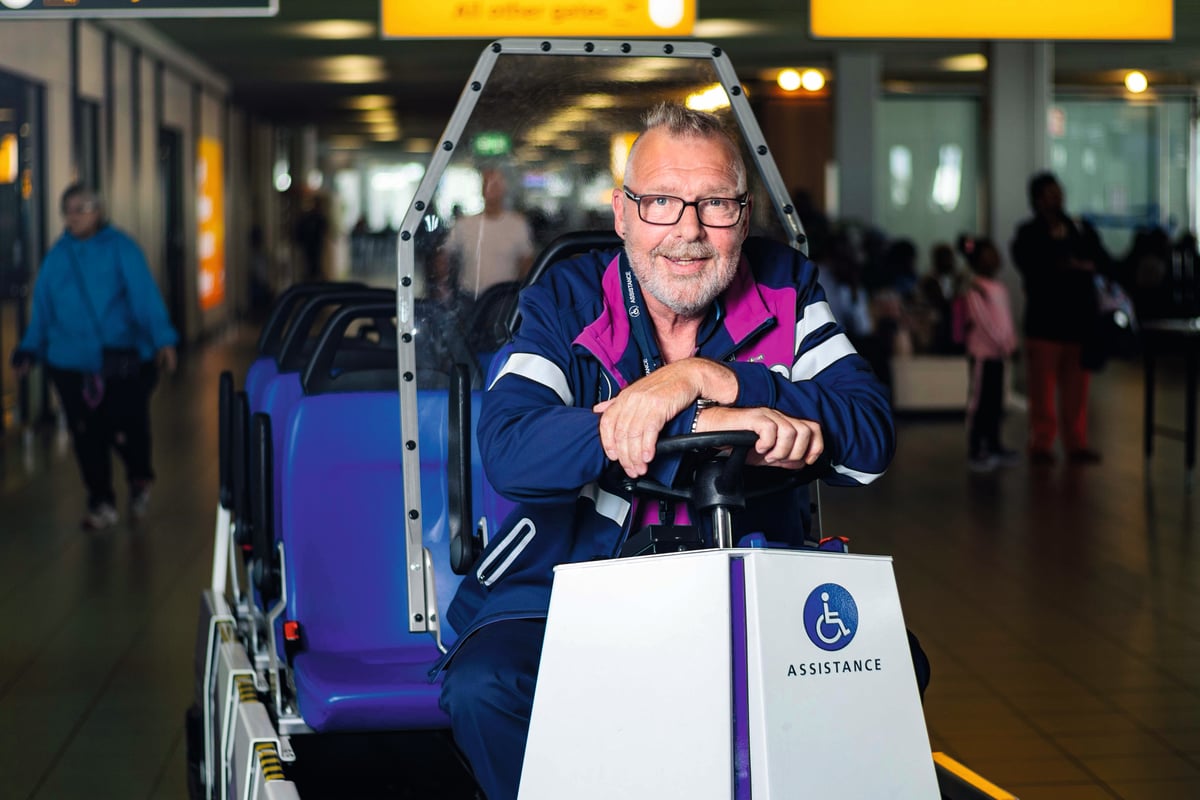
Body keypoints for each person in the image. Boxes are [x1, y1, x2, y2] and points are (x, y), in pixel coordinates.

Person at [435, 103, 895, 800]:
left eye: (716, 203)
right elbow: (511, 448)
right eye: (660, 202)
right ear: (622, 214)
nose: (688, 230)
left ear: (744, 215)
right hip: (569, 579)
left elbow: (870, 436)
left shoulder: (785, 286)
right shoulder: (566, 299)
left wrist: (710, 380)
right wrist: (677, 419)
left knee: (886, 671)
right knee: (485, 687)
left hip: (742, 580)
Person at [10, 184, 178, 529]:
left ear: (98, 210)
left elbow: (145, 297)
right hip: (69, 362)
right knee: (85, 434)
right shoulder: (57, 258)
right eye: (69, 209)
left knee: (124, 427)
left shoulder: (121, 248)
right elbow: (42, 312)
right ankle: (101, 501)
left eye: (82, 208)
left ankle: (139, 477)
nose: (74, 216)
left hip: (118, 358)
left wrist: (163, 340)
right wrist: (29, 349)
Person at [1010, 172, 1108, 465]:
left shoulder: (1079, 228)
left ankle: (1076, 442)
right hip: (1044, 324)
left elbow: (1101, 260)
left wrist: (1075, 266)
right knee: (1041, 390)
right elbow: (1033, 266)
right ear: (1038, 199)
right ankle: (1041, 443)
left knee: (1077, 390)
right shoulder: (1028, 233)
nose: (1057, 198)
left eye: (1059, 192)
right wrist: (1067, 265)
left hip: (1079, 324)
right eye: (1050, 193)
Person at [961, 238, 1019, 472]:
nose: (993, 259)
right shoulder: (976, 289)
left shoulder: (1000, 288)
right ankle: (976, 448)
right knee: (979, 402)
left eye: (994, 254)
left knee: (995, 402)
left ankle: (994, 444)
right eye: (987, 255)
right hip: (982, 356)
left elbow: (1006, 321)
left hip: (998, 356)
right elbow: (984, 323)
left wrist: (1011, 343)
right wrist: (1005, 344)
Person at [438, 167, 535, 298]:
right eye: (487, 184)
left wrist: (524, 292)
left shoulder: (517, 224)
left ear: (503, 189)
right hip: (469, 297)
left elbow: (526, 262)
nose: (491, 189)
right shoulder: (464, 224)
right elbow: (444, 255)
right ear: (482, 189)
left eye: (495, 185)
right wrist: (442, 287)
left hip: (504, 298)